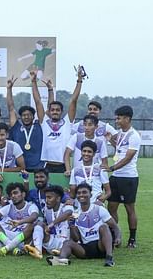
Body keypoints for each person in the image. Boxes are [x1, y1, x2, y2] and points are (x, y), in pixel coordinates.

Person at [46, 183, 121, 267]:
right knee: (67, 243)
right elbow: (76, 238)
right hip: (85, 249)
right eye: (79, 193)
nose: (81, 195)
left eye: (84, 192)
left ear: (90, 194)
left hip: (100, 245)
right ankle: (62, 260)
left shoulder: (99, 209)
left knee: (103, 227)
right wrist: (72, 226)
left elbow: (115, 226)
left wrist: (118, 237)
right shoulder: (75, 213)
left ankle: (109, 258)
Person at [104, 105, 141, 248]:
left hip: (128, 177)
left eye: (119, 118)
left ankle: (132, 239)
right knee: (111, 207)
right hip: (116, 177)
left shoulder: (134, 136)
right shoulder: (120, 134)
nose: (117, 120)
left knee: (129, 208)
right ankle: (115, 235)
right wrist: (111, 140)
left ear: (127, 118)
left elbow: (128, 158)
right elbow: (119, 149)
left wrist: (111, 168)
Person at [32, 68, 82, 173]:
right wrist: (33, 82)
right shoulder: (44, 122)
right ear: (49, 111)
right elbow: (38, 102)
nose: (55, 112)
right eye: (52, 110)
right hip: (47, 166)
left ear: (61, 111)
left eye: (57, 110)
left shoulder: (67, 122)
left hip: (64, 166)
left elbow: (73, 100)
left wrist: (79, 80)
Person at [0, 182, 39, 257]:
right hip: (9, 237)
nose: (13, 196)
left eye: (15, 193)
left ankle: (7, 248)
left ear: (23, 194)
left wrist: (20, 222)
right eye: (11, 194)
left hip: (24, 238)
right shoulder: (9, 207)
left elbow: (34, 217)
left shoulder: (31, 206)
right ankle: (12, 248)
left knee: (32, 225)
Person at [6, 76, 44, 171]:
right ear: (20, 117)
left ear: (33, 116)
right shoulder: (16, 127)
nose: (26, 117)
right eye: (24, 115)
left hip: (38, 168)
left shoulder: (40, 126)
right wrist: (9, 89)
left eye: (29, 115)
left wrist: (34, 82)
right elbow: (11, 108)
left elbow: (38, 103)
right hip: (19, 167)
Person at [28, 185, 72, 259]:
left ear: (58, 199)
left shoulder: (67, 206)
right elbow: (45, 223)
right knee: (39, 224)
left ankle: (60, 251)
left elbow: (68, 213)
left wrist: (52, 224)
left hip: (65, 244)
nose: (46, 200)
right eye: (46, 197)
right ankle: (38, 251)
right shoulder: (46, 209)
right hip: (52, 241)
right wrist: (45, 228)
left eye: (49, 197)